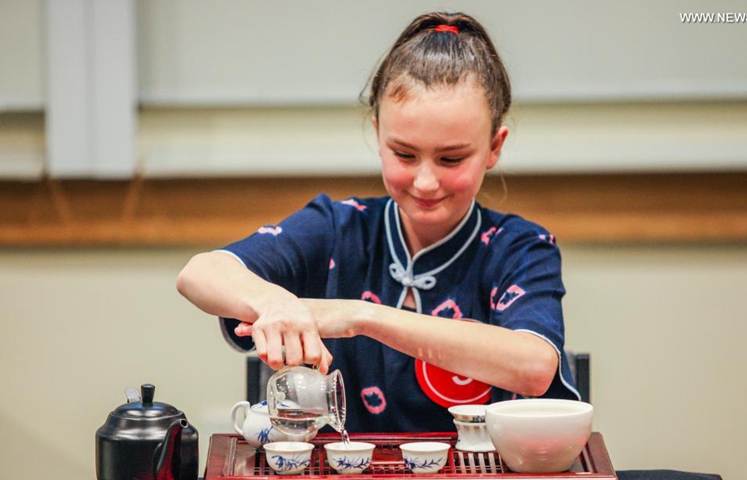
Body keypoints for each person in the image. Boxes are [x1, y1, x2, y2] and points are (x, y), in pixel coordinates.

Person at [177, 11, 579, 433]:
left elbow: (534, 365)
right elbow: (199, 273)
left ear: (494, 148)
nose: (425, 181)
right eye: (404, 154)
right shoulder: (336, 227)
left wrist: (362, 317)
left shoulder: (520, 247)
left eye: (452, 159)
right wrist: (274, 303)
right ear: (378, 132)